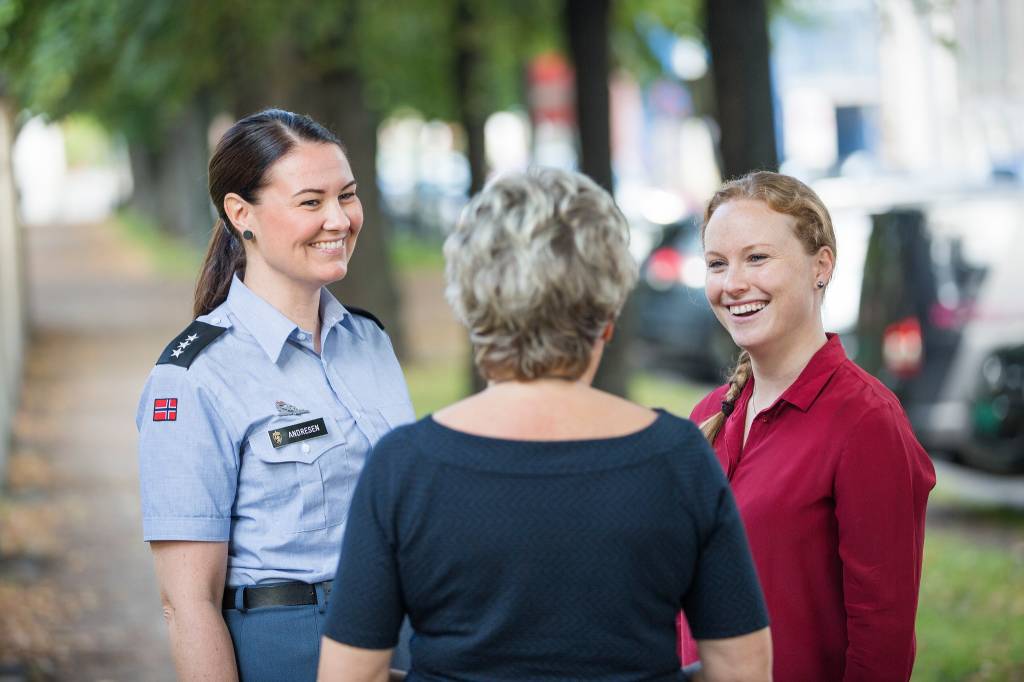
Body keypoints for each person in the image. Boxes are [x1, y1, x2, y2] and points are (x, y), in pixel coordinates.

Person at [317, 168, 772, 682]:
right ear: (607, 314)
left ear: (470, 307)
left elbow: (349, 675)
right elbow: (743, 668)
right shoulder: (678, 457)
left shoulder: (404, 467)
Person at [136, 109, 415, 681]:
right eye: (311, 202)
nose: (338, 220)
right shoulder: (193, 378)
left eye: (348, 195)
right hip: (293, 647)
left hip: (404, 636)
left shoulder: (369, 342)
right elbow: (187, 602)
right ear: (242, 214)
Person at [677, 171, 936, 681]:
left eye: (757, 258)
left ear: (821, 266)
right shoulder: (707, 413)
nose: (732, 283)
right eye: (716, 263)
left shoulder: (865, 421)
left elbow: (881, 641)